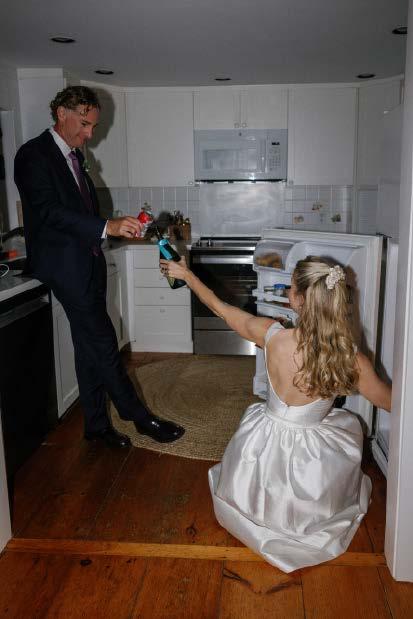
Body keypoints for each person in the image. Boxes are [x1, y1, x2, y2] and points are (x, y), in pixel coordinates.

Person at [160, 254, 391, 572]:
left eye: (291, 287)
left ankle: (257, 515)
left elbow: (219, 307)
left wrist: (186, 275)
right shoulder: (350, 358)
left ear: (298, 299)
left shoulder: (272, 335)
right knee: (348, 430)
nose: (287, 292)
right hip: (313, 455)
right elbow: (388, 401)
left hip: (264, 441)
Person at [14, 85, 184, 448]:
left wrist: (113, 225)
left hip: (88, 262)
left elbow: (81, 212)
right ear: (62, 113)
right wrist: (107, 226)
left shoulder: (75, 157)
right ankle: (139, 417)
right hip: (64, 266)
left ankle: (96, 427)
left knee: (88, 347)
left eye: (93, 126)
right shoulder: (33, 155)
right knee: (104, 341)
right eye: (85, 124)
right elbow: (49, 212)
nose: (90, 134)